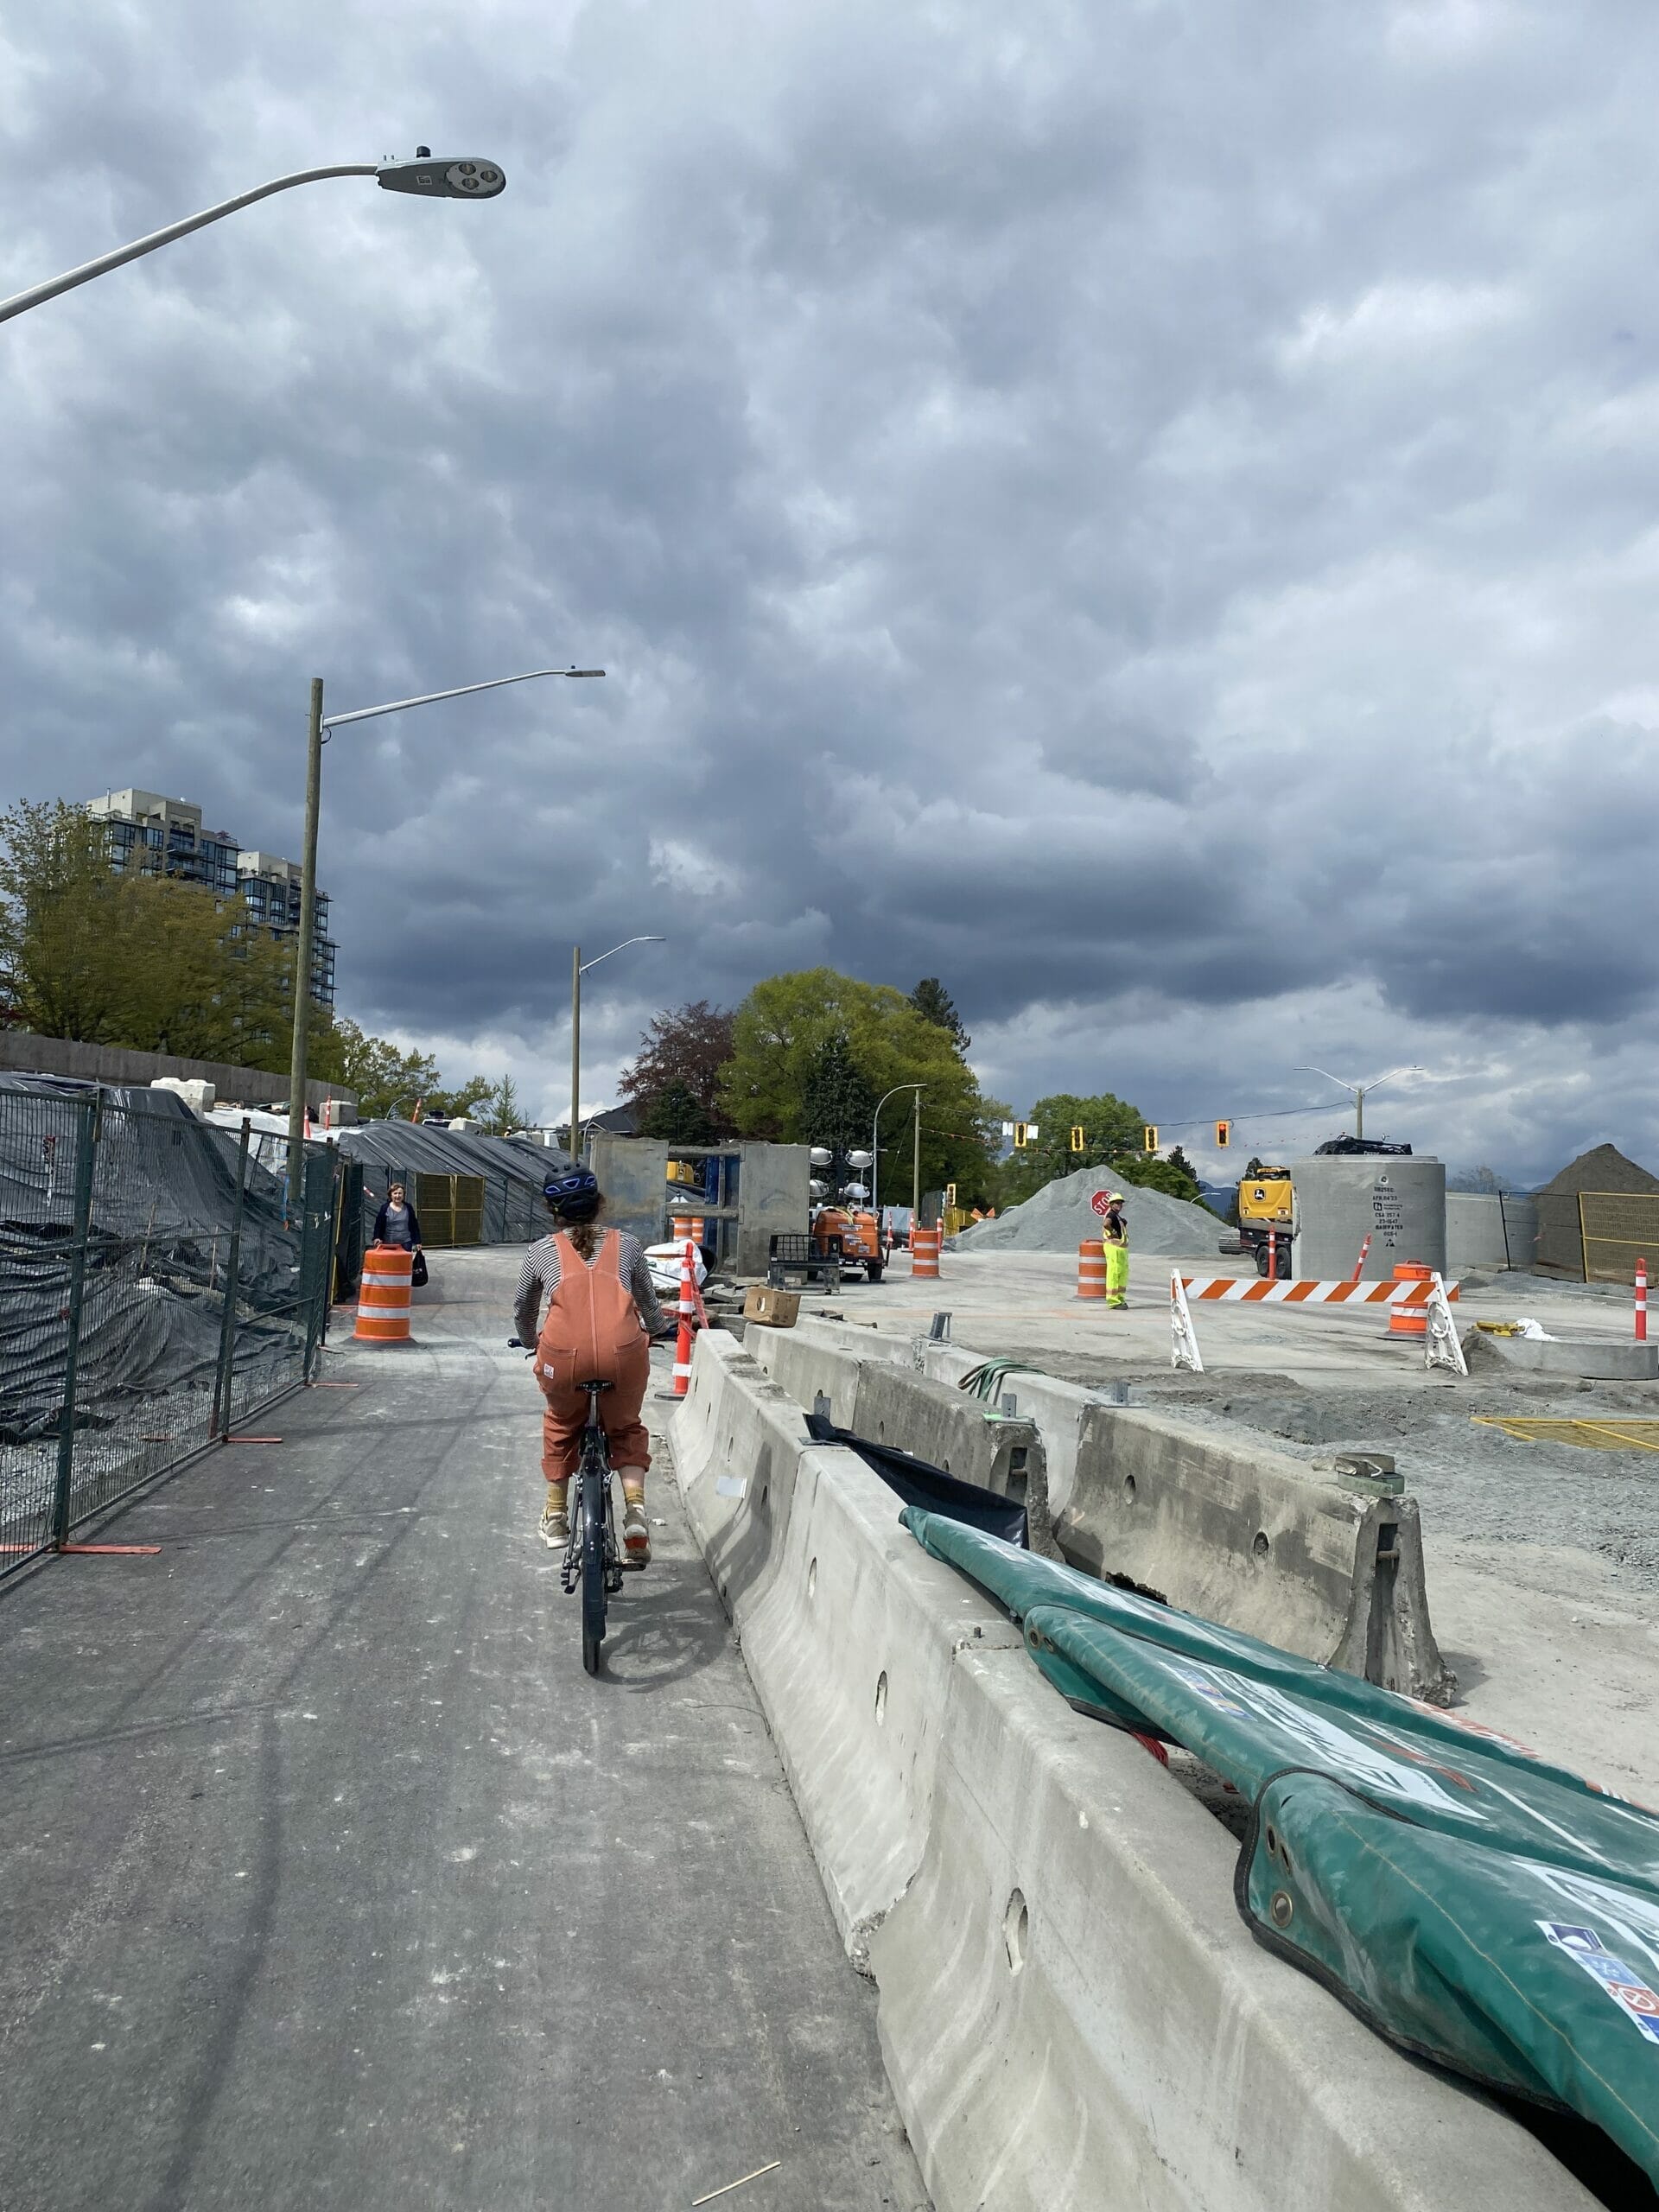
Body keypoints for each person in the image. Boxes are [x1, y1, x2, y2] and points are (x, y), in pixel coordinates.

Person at [513, 1166, 670, 1565]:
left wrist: (532, 1342)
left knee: (561, 1424)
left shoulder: (539, 1252)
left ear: (554, 1211)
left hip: (563, 1357)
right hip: (624, 1355)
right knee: (626, 1428)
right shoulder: (629, 1245)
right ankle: (635, 1515)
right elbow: (649, 1304)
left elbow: (524, 1309)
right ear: (599, 1204)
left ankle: (556, 1516)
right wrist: (657, 1329)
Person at [372, 1180, 423, 1257]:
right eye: (395, 1193)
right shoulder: (385, 1208)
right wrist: (377, 1237)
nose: (398, 1196)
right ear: (391, 1195)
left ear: (403, 1195)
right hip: (388, 1243)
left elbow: (414, 1225)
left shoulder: (408, 1208)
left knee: (403, 1266)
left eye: (400, 1193)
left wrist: (418, 1242)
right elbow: (378, 1224)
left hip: (406, 1243)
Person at [1101, 1191, 1128, 1309]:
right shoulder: (1111, 1215)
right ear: (1111, 1204)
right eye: (1116, 1203)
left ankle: (1120, 1298)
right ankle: (1113, 1301)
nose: (1119, 1205)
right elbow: (1106, 1224)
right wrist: (1114, 1232)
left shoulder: (1117, 1216)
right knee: (1114, 1273)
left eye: (1120, 1203)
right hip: (1114, 1249)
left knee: (1122, 1274)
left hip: (1120, 1249)